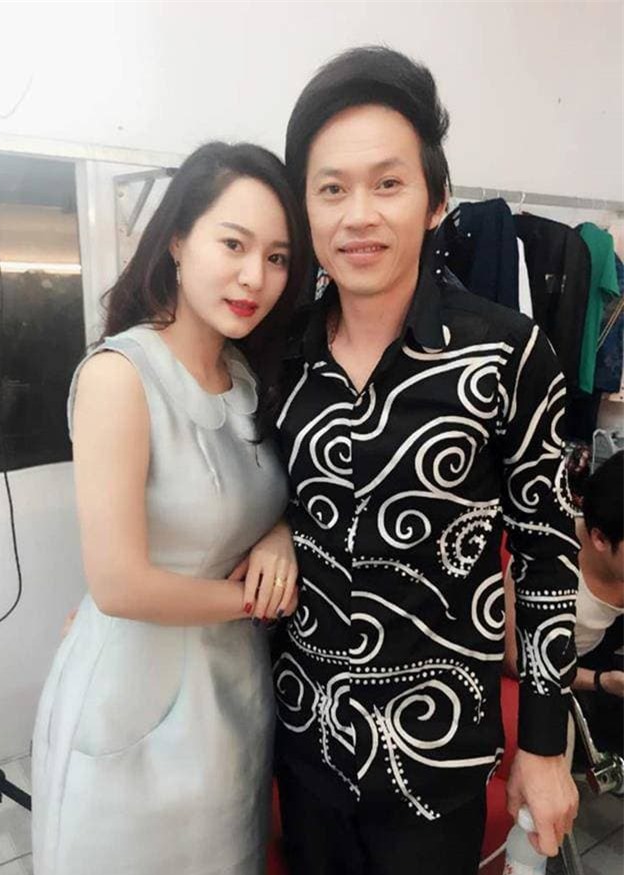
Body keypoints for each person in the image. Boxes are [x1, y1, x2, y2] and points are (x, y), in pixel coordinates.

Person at [271, 46, 579, 875]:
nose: (358, 215)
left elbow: (548, 555)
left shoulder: (509, 355)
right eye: (331, 189)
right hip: (303, 745)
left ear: (437, 199)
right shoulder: (280, 357)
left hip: (435, 763)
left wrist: (544, 745)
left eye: (387, 183)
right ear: (305, 208)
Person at [31, 141, 307, 875]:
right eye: (233, 244)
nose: (255, 276)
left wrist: (279, 535)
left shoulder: (247, 376)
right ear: (179, 240)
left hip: (233, 694)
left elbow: (261, 497)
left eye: (277, 257)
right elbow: (119, 585)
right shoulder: (121, 376)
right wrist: (265, 600)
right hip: (135, 695)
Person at [506, 450, 624, 758]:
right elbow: (515, 660)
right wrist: (601, 682)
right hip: (551, 672)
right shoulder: (544, 557)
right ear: (600, 539)